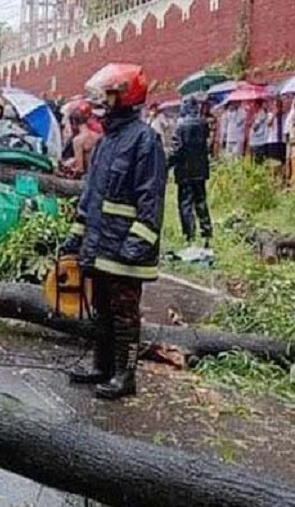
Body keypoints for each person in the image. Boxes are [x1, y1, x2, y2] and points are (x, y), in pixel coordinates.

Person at [60, 63, 166, 400]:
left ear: (125, 96)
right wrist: (76, 237)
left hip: (124, 251)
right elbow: (90, 197)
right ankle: (102, 366)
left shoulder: (145, 141)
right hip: (100, 247)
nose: (102, 101)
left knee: (124, 316)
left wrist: (136, 244)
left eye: (108, 94)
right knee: (102, 310)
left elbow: (151, 198)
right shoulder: (107, 141)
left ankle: (125, 375)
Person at [170, 96, 213, 246]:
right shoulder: (203, 123)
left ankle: (189, 235)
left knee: (186, 203)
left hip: (184, 172)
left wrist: (167, 166)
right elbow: (207, 144)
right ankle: (207, 233)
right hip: (200, 170)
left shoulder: (180, 125)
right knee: (201, 201)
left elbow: (177, 149)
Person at [62, 107, 101, 179]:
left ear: (73, 123)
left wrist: (68, 174)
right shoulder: (97, 136)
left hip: (89, 174)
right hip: (98, 171)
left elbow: (80, 169)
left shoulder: (78, 140)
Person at [265, 97, 288, 182]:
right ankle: (273, 179)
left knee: (282, 162)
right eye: (276, 105)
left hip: (283, 141)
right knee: (274, 162)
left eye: (279, 105)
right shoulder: (270, 114)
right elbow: (268, 124)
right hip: (273, 141)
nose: (278, 107)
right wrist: (274, 114)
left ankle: (281, 179)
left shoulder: (285, 115)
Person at [248, 100, 269, 165]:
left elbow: (255, 127)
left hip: (259, 142)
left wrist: (254, 121)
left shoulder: (261, 114)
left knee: (258, 162)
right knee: (253, 162)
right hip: (254, 142)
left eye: (254, 104)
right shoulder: (255, 114)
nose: (252, 106)